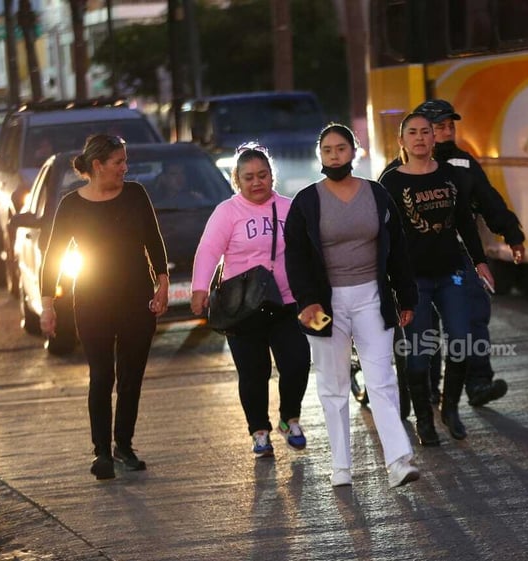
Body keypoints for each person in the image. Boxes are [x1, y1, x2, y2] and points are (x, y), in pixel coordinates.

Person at [284, 123, 420, 488]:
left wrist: (407, 296)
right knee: (333, 385)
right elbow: (294, 257)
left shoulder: (376, 195)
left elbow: (398, 249)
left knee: (382, 379)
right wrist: (307, 301)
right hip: (326, 305)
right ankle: (341, 468)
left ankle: (399, 461)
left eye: (341, 149)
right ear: (320, 156)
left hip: (372, 298)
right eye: (327, 150)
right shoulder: (306, 202)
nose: (334, 155)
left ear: (354, 151)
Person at [39, 134, 169, 480]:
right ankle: (101, 453)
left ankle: (123, 445)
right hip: (93, 300)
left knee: (130, 376)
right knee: (101, 375)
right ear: (97, 166)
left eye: (125, 161)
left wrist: (163, 283)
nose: (125, 168)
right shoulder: (71, 205)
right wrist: (47, 305)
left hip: (136, 299)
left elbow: (153, 240)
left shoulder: (135, 195)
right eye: (118, 162)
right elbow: (53, 257)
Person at [391, 98, 526, 408]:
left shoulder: (463, 164)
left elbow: (488, 200)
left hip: (458, 255)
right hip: (416, 263)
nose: (446, 132)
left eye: (450, 126)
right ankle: (427, 390)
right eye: (439, 127)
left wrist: (512, 234)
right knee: (423, 331)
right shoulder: (398, 171)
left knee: (472, 318)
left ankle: (478, 383)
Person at [379, 113, 495, 446]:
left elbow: (465, 223)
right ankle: (424, 420)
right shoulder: (391, 183)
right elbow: (385, 237)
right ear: (401, 141)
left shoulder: (450, 175)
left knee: (460, 340)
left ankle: (450, 410)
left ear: (434, 139)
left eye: (425, 132)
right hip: (412, 280)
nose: (419, 138)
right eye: (412, 133)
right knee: (418, 353)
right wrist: (391, 281)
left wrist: (480, 262)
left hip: (451, 273)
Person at [190, 143, 310, 461]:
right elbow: (207, 251)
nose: (257, 182)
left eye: (263, 175)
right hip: (242, 309)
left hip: (285, 304)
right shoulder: (227, 212)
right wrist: (199, 289)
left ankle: (290, 418)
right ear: (237, 181)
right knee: (253, 373)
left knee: (297, 363)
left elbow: (308, 251)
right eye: (249, 178)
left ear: (272, 177)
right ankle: (259, 431)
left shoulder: (289, 208)